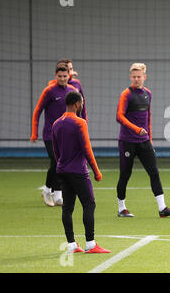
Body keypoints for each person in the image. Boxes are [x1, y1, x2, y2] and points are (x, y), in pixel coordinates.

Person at [115, 63, 170, 218]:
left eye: (139, 76)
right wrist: (136, 129)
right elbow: (119, 116)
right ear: (130, 77)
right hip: (127, 141)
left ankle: (162, 208)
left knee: (154, 172)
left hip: (144, 141)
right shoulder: (126, 94)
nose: (137, 79)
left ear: (144, 77)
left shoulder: (147, 94)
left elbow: (148, 118)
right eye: (134, 77)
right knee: (125, 174)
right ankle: (121, 208)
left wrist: (149, 139)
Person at [52, 91, 110, 253]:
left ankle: (71, 244)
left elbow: (55, 151)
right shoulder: (80, 123)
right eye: (82, 102)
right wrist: (96, 171)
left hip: (62, 170)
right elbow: (87, 149)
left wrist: (61, 165)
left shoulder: (56, 123)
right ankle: (90, 243)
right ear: (77, 104)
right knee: (89, 204)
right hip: (78, 171)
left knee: (67, 208)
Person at [31, 63, 78, 207]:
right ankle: (47, 190)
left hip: (66, 134)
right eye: (60, 76)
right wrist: (34, 132)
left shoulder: (72, 90)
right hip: (50, 134)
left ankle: (58, 194)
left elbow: (78, 110)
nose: (63, 79)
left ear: (69, 76)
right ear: (55, 76)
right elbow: (37, 111)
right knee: (56, 160)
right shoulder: (49, 91)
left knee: (61, 162)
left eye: (65, 76)